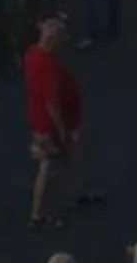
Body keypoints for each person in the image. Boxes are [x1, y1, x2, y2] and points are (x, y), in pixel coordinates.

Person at [22, 14, 88, 226]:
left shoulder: (32, 55)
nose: (63, 43)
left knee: (60, 163)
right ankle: (40, 213)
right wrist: (63, 131)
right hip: (50, 128)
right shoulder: (47, 68)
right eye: (60, 39)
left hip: (40, 123)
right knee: (50, 167)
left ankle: (72, 194)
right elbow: (53, 105)